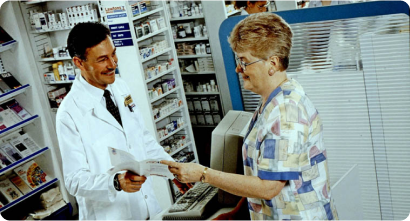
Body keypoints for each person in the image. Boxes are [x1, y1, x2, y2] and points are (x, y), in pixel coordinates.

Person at [162, 13, 339, 221]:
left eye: (244, 62)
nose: (238, 69)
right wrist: (236, 214)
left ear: (272, 63)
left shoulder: (286, 111)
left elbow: (269, 187)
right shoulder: (272, 101)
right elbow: (265, 174)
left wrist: (203, 174)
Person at [56, 22, 189, 221]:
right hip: (109, 215)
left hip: (146, 207)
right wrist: (116, 183)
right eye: (102, 59)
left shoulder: (120, 86)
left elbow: (142, 139)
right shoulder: (69, 113)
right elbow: (74, 181)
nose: (112, 64)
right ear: (79, 62)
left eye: (113, 54)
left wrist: (173, 170)